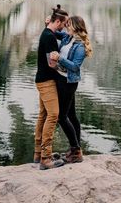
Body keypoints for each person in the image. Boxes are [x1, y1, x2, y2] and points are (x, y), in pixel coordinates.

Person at [50, 15, 92, 164]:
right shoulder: (68, 38)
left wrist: (59, 58)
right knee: (72, 115)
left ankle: (76, 150)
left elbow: (75, 67)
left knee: (61, 116)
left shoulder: (80, 46)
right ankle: (76, 148)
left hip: (68, 82)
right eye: (66, 24)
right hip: (61, 79)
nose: (66, 26)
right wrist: (49, 23)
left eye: (69, 24)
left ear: (75, 27)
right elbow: (54, 32)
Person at [34, 4, 68, 170]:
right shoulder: (49, 37)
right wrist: (65, 69)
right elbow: (51, 63)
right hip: (47, 81)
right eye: (64, 23)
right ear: (59, 22)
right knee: (53, 115)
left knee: (43, 114)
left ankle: (37, 153)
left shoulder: (47, 32)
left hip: (41, 79)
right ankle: (45, 158)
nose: (65, 26)